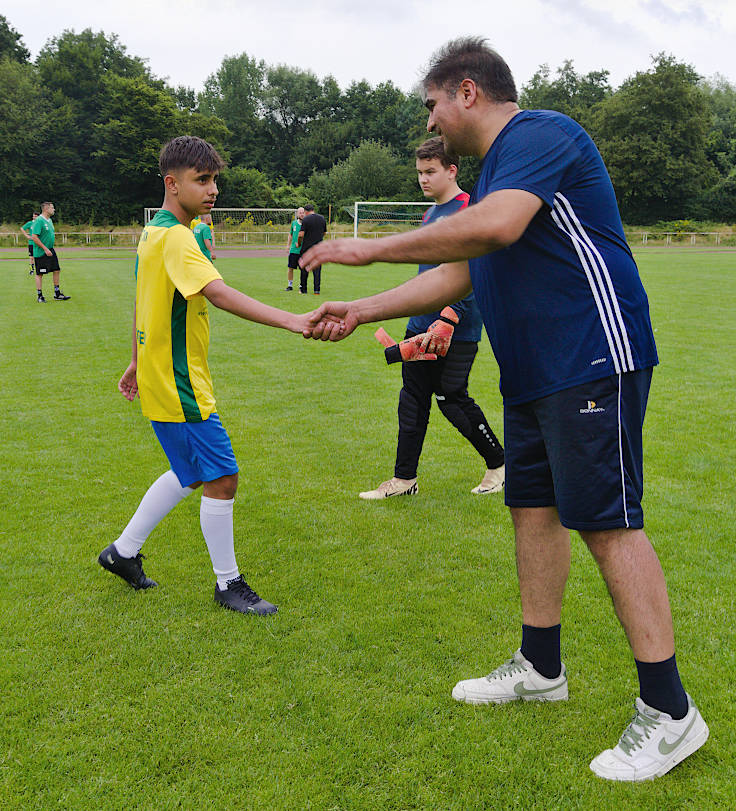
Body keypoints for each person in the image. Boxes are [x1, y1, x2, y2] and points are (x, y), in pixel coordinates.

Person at [301, 38, 708, 781]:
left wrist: (365, 248)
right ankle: (539, 666)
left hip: (591, 354)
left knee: (609, 522)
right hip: (532, 374)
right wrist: (363, 309)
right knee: (532, 509)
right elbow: (458, 271)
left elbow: (492, 231)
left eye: (430, 104)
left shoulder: (540, 134)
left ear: (465, 91)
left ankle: (671, 711)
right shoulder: (496, 175)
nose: (429, 120)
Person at [98, 135, 318, 616]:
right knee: (223, 476)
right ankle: (228, 584)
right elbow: (218, 292)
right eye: (203, 180)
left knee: (189, 474)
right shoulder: (177, 235)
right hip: (179, 382)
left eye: (215, 179)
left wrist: (136, 359)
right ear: (172, 183)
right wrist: (293, 319)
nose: (213, 189)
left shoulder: (153, 231)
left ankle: (122, 552)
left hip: (159, 373)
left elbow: (144, 298)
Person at [360, 137, 504, 500]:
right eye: (419, 172)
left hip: (457, 327)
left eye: (430, 172)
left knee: (452, 398)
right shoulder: (429, 214)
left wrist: (451, 315)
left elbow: (478, 270)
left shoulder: (471, 209)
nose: (423, 179)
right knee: (412, 399)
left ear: (451, 170)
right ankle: (404, 480)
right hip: (420, 322)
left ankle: (500, 466)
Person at [30, 202, 70, 302]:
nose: (54, 210)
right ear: (46, 209)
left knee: (56, 270)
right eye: (52, 208)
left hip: (50, 250)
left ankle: (57, 293)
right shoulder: (39, 220)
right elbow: (34, 237)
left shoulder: (50, 220)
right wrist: (45, 248)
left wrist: (49, 248)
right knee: (40, 273)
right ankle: (40, 296)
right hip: (41, 251)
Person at [297, 204, 326, 294]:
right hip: (318, 248)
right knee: (317, 269)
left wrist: (299, 243)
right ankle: (316, 290)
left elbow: (301, 235)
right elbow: (324, 233)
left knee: (304, 268)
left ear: (306, 211)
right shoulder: (322, 218)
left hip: (307, 248)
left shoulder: (306, 219)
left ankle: (303, 289)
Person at [285, 206, 305, 291]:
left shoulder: (307, 224)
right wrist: (288, 245)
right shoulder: (294, 223)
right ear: (297, 214)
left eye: (303, 212)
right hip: (293, 250)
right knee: (290, 268)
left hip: (303, 250)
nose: (302, 214)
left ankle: (302, 285)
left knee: (303, 269)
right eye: (300, 212)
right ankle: (290, 285)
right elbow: (290, 235)